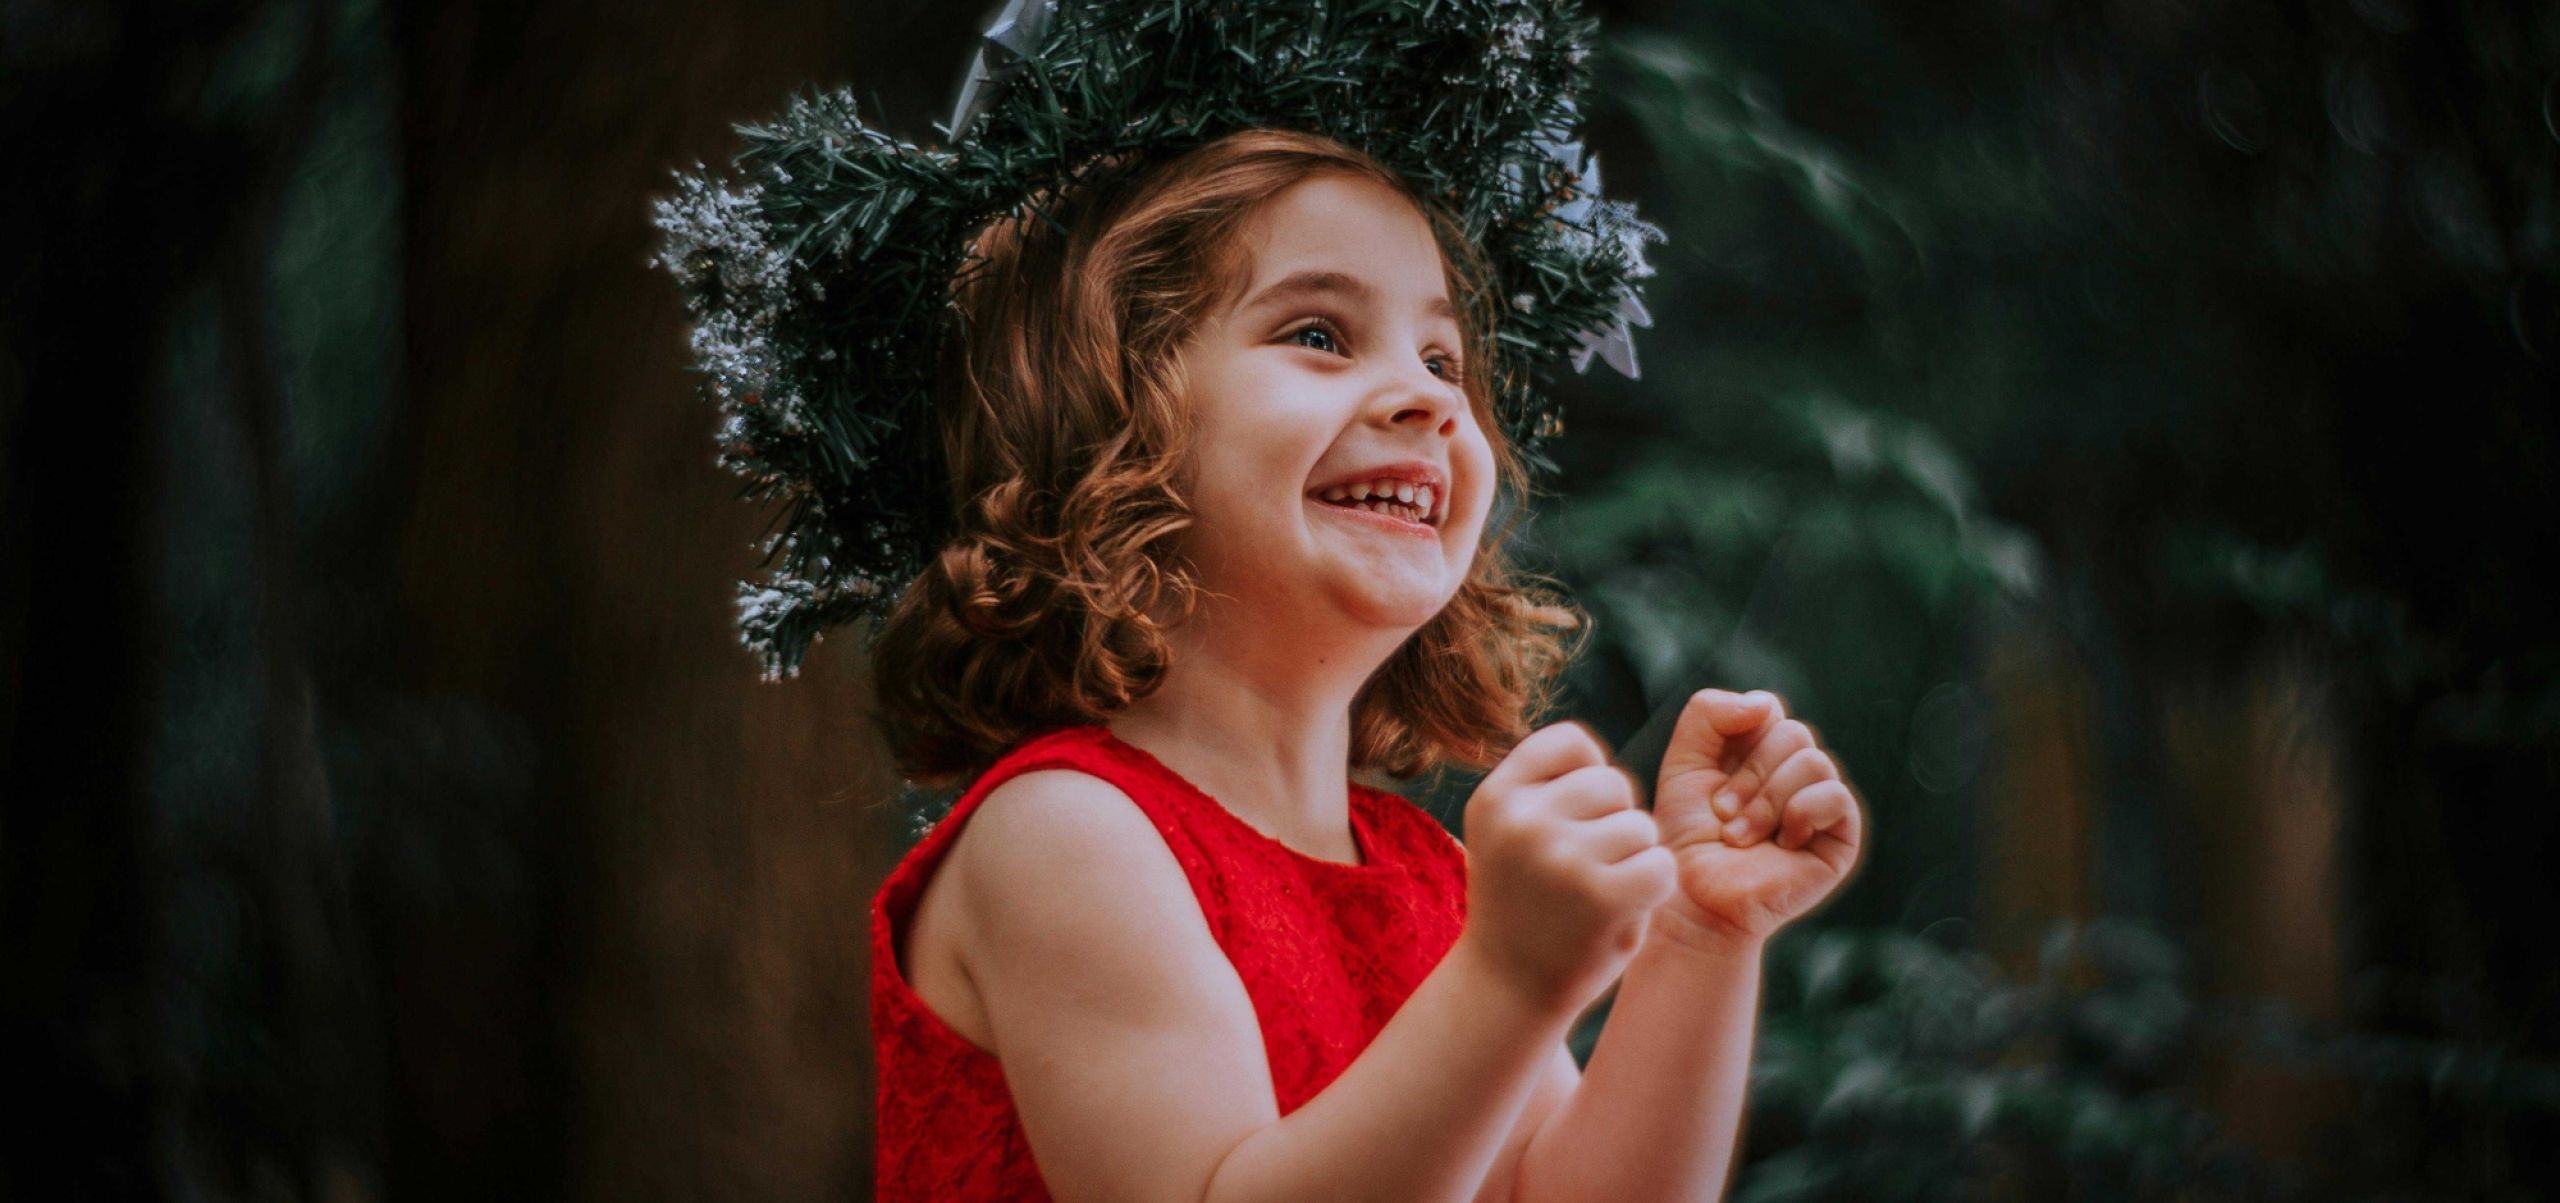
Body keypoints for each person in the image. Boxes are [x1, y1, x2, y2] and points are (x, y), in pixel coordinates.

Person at [859, 127, 1866, 1203]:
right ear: (1106, 425)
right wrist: (1508, 981)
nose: (1431, 398)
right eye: (1318, 334)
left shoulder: (1429, 881)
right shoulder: (1063, 835)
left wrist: (1700, 938)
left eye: (1443, 359)